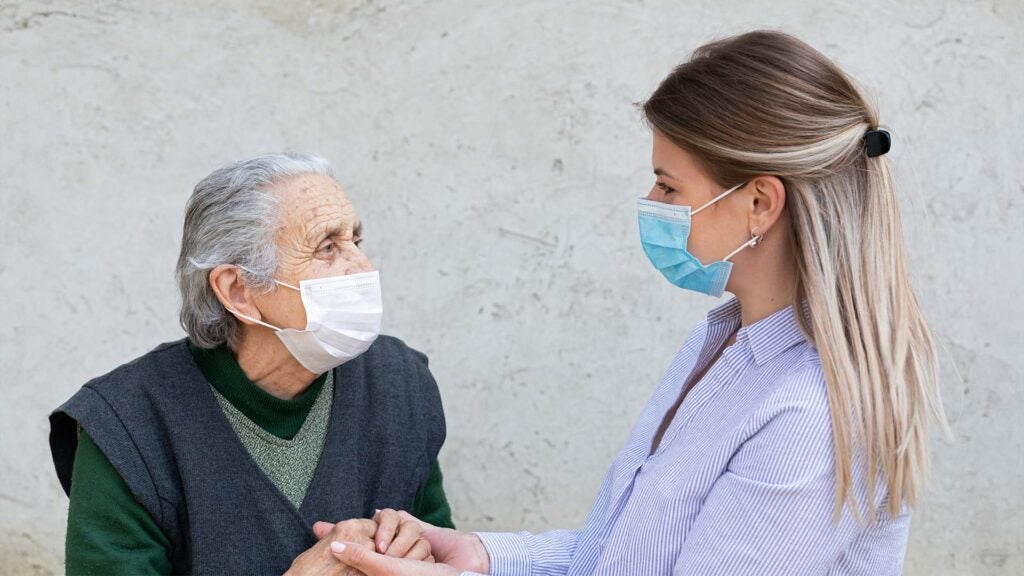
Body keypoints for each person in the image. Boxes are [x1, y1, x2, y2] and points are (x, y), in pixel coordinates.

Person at [323, 30, 949, 576]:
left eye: (668, 185)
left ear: (759, 203)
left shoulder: (808, 417)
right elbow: (628, 555)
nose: (651, 202)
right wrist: (481, 555)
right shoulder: (724, 346)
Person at [48, 153, 454, 575]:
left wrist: (420, 554)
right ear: (238, 291)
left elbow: (445, 553)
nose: (363, 267)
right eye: (327, 247)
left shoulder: (399, 384)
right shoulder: (127, 425)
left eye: (356, 240)